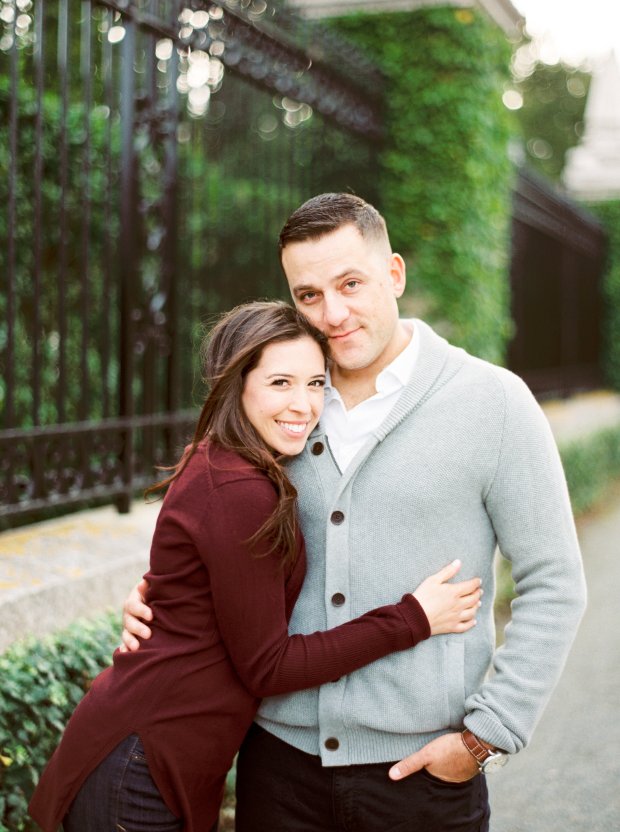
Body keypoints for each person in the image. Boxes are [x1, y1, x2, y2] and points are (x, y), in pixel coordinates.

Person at [122, 194, 587, 831]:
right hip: (277, 767)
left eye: (350, 284)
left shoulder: (493, 403)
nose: (332, 314)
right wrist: (159, 598)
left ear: (393, 274)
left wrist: (486, 736)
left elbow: (555, 582)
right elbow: (215, 528)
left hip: (424, 774)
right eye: (308, 295)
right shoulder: (282, 409)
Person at [28, 301, 483, 832]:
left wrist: (151, 591)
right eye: (280, 383)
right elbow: (268, 667)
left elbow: (194, 581)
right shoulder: (240, 487)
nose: (303, 405)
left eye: (316, 384)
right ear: (237, 385)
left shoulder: (226, 462)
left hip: (155, 749)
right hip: (143, 758)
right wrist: (413, 618)